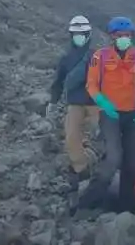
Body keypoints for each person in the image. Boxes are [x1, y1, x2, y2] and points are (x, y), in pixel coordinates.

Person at [84, 16, 135, 213]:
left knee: (132, 163)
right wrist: (103, 102)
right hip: (110, 114)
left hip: (132, 115)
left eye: (127, 35)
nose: (124, 39)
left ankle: (125, 207)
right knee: (113, 159)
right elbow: (92, 84)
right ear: (112, 37)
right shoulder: (100, 57)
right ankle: (88, 201)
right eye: (120, 35)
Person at [46, 15, 100, 216]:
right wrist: (52, 101)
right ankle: (82, 169)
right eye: (76, 34)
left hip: (97, 104)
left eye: (82, 34)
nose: (80, 37)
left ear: (88, 35)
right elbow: (58, 82)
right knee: (71, 139)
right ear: (71, 35)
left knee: (103, 136)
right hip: (75, 104)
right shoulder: (66, 59)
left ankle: (101, 170)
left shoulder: (97, 56)